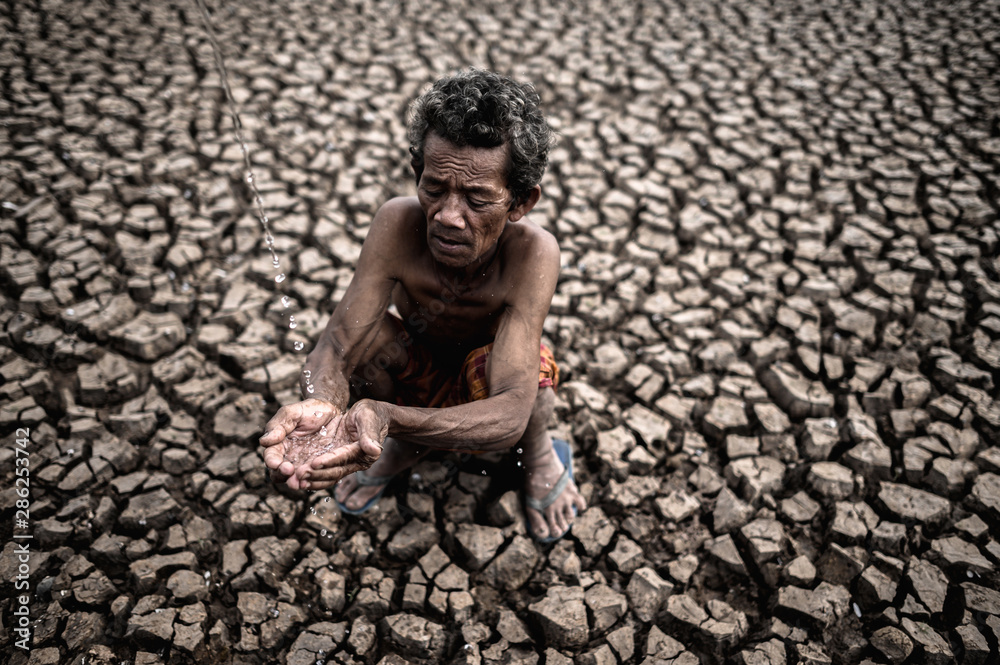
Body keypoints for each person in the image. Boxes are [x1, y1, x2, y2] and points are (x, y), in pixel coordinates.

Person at [259, 69, 586, 542]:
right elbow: (338, 344)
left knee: (535, 375)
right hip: (417, 368)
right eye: (435, 189)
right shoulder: (397, 223)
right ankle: (393, 450)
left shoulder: (533, 254)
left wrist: (389, 419)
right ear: (418, 174)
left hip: (485, 383)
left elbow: (511, 409)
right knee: (371, 340)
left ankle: (537, 456)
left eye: (477, 198)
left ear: (520, 202)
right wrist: (324, 408)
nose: (449, 217)